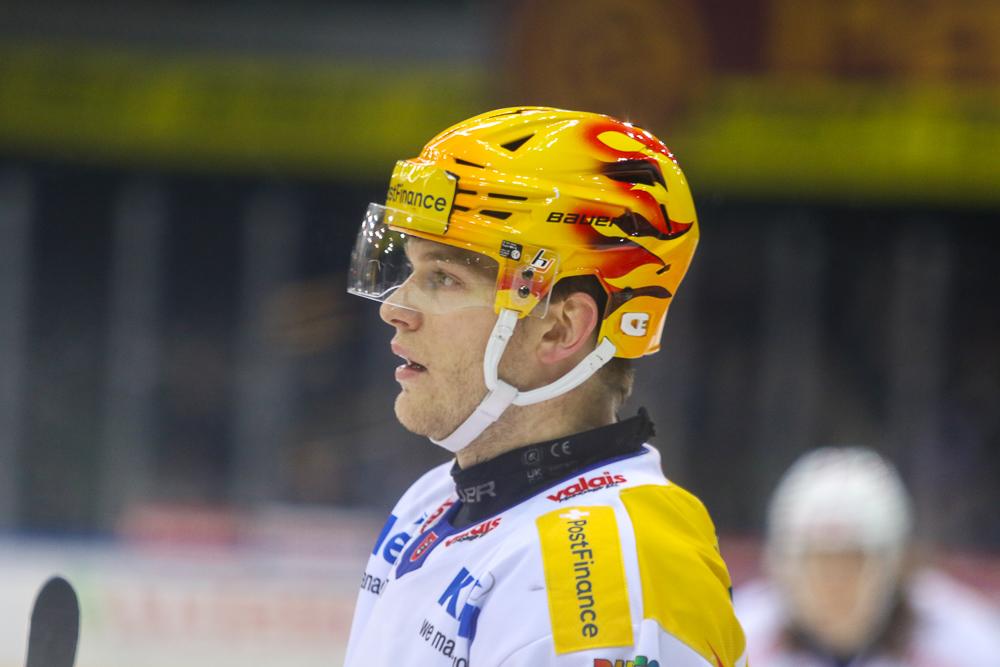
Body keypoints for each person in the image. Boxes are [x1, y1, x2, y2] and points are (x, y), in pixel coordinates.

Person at [342, 107, 746, 667]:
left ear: (561, 328)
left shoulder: (601, 574)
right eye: (410, 270)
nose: (395, 308)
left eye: (444, 278)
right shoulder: (436, 499)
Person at [735, 446, 1000, 667]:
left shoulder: (967, 647)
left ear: (895, 564)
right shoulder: (738, 643)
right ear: (783, 567)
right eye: (819, 563)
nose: (835, 585)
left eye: (852, 562)